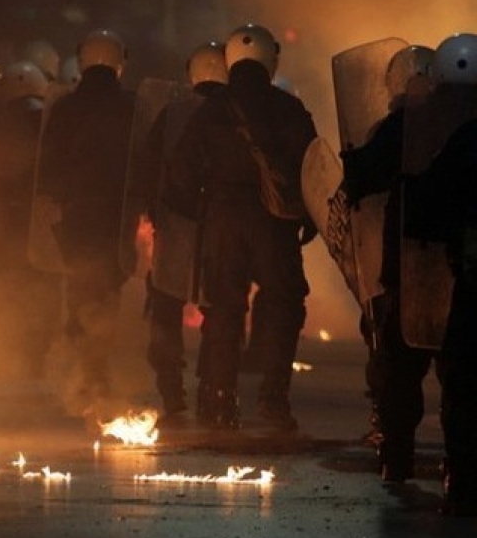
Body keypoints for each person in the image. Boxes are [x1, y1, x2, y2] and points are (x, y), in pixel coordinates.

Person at [166, 24, 317, 431]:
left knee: (224, 310)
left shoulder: (210, 111)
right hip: (274, 224)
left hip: (222, 222)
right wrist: (307, 220)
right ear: (271, 59)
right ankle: (273, 401)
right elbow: (312, 172)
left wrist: (202, 212)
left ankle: (219, 401)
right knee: (283, 306)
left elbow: (180, 172)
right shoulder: (289, 109)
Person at [339, 44, 436, 482]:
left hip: (411, 266)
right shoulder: (462, 125)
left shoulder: (399, 126)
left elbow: (361, 180)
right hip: (461, 265)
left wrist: (351, 159)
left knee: (398, 365)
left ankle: (397, 459)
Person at [34, 29, 135, 418]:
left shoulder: (65, 109)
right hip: (115, 215)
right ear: (118, 62)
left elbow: (49, 166)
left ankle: (78, 374)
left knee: (78, 289)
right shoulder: (131, 108)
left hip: (76, 215)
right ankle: (95, 372)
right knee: (107, 292)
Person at [401, 32, 477, 515]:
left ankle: (466, 479)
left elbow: (422, 208)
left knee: (464, 376)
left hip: (471, 278)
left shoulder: (450, 136)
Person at [135, 41, 227, 425]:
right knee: (221, 310)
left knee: (165, 305)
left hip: (174, 226)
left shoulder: (172, 113)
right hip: (221, 227)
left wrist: (151, 213)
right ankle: (213, 388)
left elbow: (146, 167)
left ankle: (172, 392)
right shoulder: (236, 112)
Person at [0, 60, 61, 380]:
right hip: (34, 223)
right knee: (40, 286)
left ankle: (10, 352)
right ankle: (35, 353)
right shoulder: (45, 120)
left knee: (8, 288)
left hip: (3, 224)